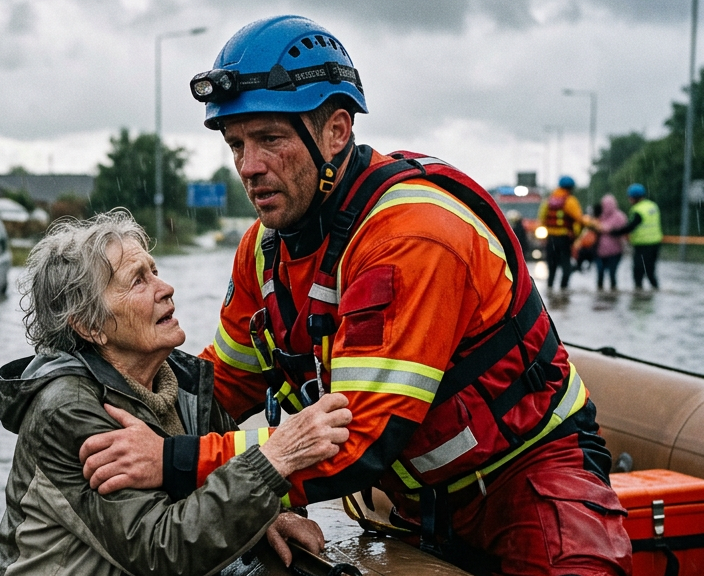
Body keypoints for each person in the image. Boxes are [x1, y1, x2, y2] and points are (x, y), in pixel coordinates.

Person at [79, 15, 632, 576]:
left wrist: (173, 463)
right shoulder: (264, 249)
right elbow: (221, 389)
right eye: (236, 144)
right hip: (418, 504)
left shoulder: (410, 236)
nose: (249, 167)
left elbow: (359, 439)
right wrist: (90, 401)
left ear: (337, 132)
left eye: (270, 139)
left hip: (533, 488)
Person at [0, 210, 353, 576]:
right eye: (138, 281)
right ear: (90, 325)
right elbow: (162, 551)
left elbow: (226, 473)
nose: (166, 288)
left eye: (155, 272)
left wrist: (272, 513)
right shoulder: (67, 408)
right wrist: (277, 456)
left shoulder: (183, 379)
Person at [610, 183, 662, 290]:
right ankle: (655, 289)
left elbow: (631, 226)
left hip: (643, 245)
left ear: (633, 197)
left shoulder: (638, 209)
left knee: (638, 271)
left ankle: (638, 294)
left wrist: (615, 233)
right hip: (656, 243)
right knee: (650, 271)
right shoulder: (653, 206)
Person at [538, 175, 584, 289]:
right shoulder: (570, 201)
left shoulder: (548, 201)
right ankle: (563, 289)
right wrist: (576, 235)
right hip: (564, 239)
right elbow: (579, 219)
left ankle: (550, 288)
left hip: (550, 238)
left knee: (551, 266)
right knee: (566, 266)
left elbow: (541, 219)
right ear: (571, 188)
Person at [593, 194, 628, 290]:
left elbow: (623, 231)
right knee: (600, 273)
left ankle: (613, 292)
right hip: (600, 251)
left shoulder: (620, 216)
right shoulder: (599, 215)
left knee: (612, 273)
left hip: (615, 251)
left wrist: (605, 228)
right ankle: (601, 292)